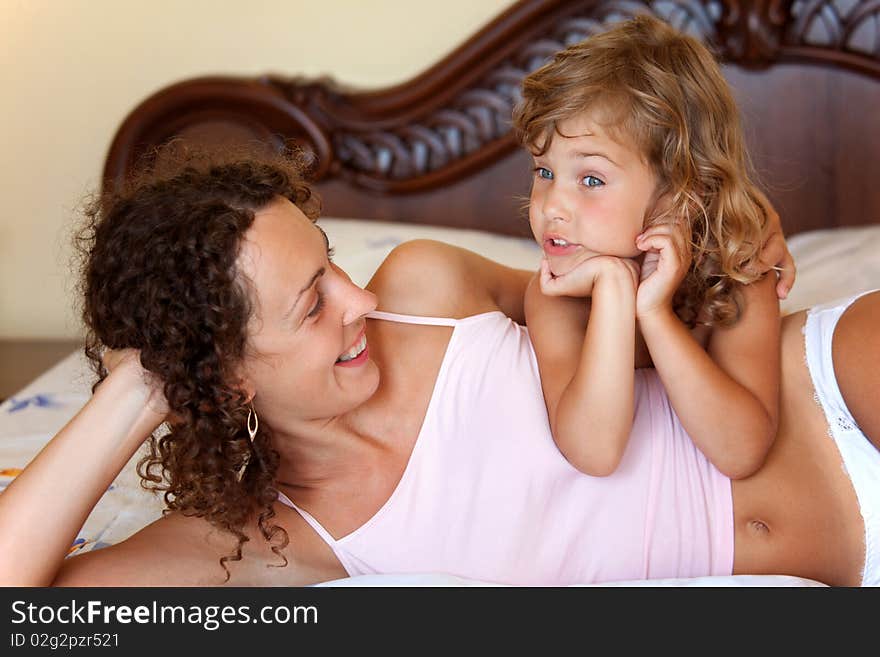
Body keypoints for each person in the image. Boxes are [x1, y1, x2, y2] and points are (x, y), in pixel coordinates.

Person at [0, 147, 875, 588]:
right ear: (226, 378)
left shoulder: (427, 283)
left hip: (829, 381)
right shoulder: (278, 538)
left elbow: (624, 293)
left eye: (333, 261)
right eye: (313, 304)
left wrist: (735, 240)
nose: (357, 300)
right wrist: (139, 389)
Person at [513, 15, 782, 479]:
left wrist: (655, 313)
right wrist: (617, 290)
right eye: (544, 171)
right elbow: (594, 453)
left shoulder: (736, 273)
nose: (552, 206)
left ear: (679, 193)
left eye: (591, 179)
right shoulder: (557, 295)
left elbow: (741, 453)